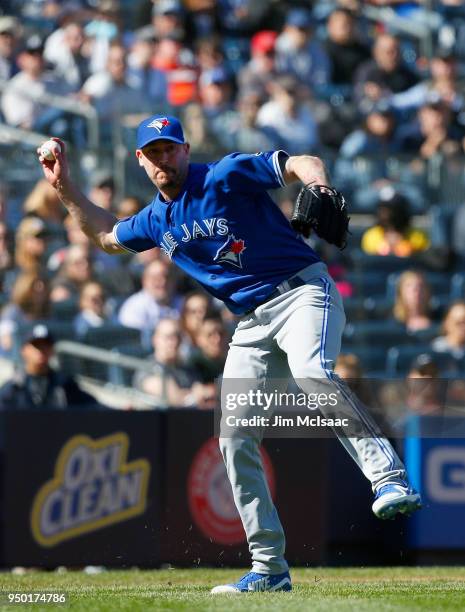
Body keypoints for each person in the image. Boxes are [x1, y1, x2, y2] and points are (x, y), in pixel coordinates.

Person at [37, 114, 421, 594]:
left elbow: (303, 160)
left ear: (185, 148)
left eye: (170, 148)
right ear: (141, 160)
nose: (163, 159)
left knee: (311, 374)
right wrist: (65, 187)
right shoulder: (156, 219)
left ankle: (389, 478)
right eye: (153, 152)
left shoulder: (224, 174)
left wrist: (318, 185)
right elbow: (106, 237)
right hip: (251, 321)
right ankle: (269, 568)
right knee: (233, 436)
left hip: (302, 292)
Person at [0, 324, 98, 411]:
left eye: (45, 346)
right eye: (37, 346)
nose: (41, 351)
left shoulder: (65, 385)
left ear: (52, 350)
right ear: (24, 350)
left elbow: (94, 408)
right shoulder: (13, 388)